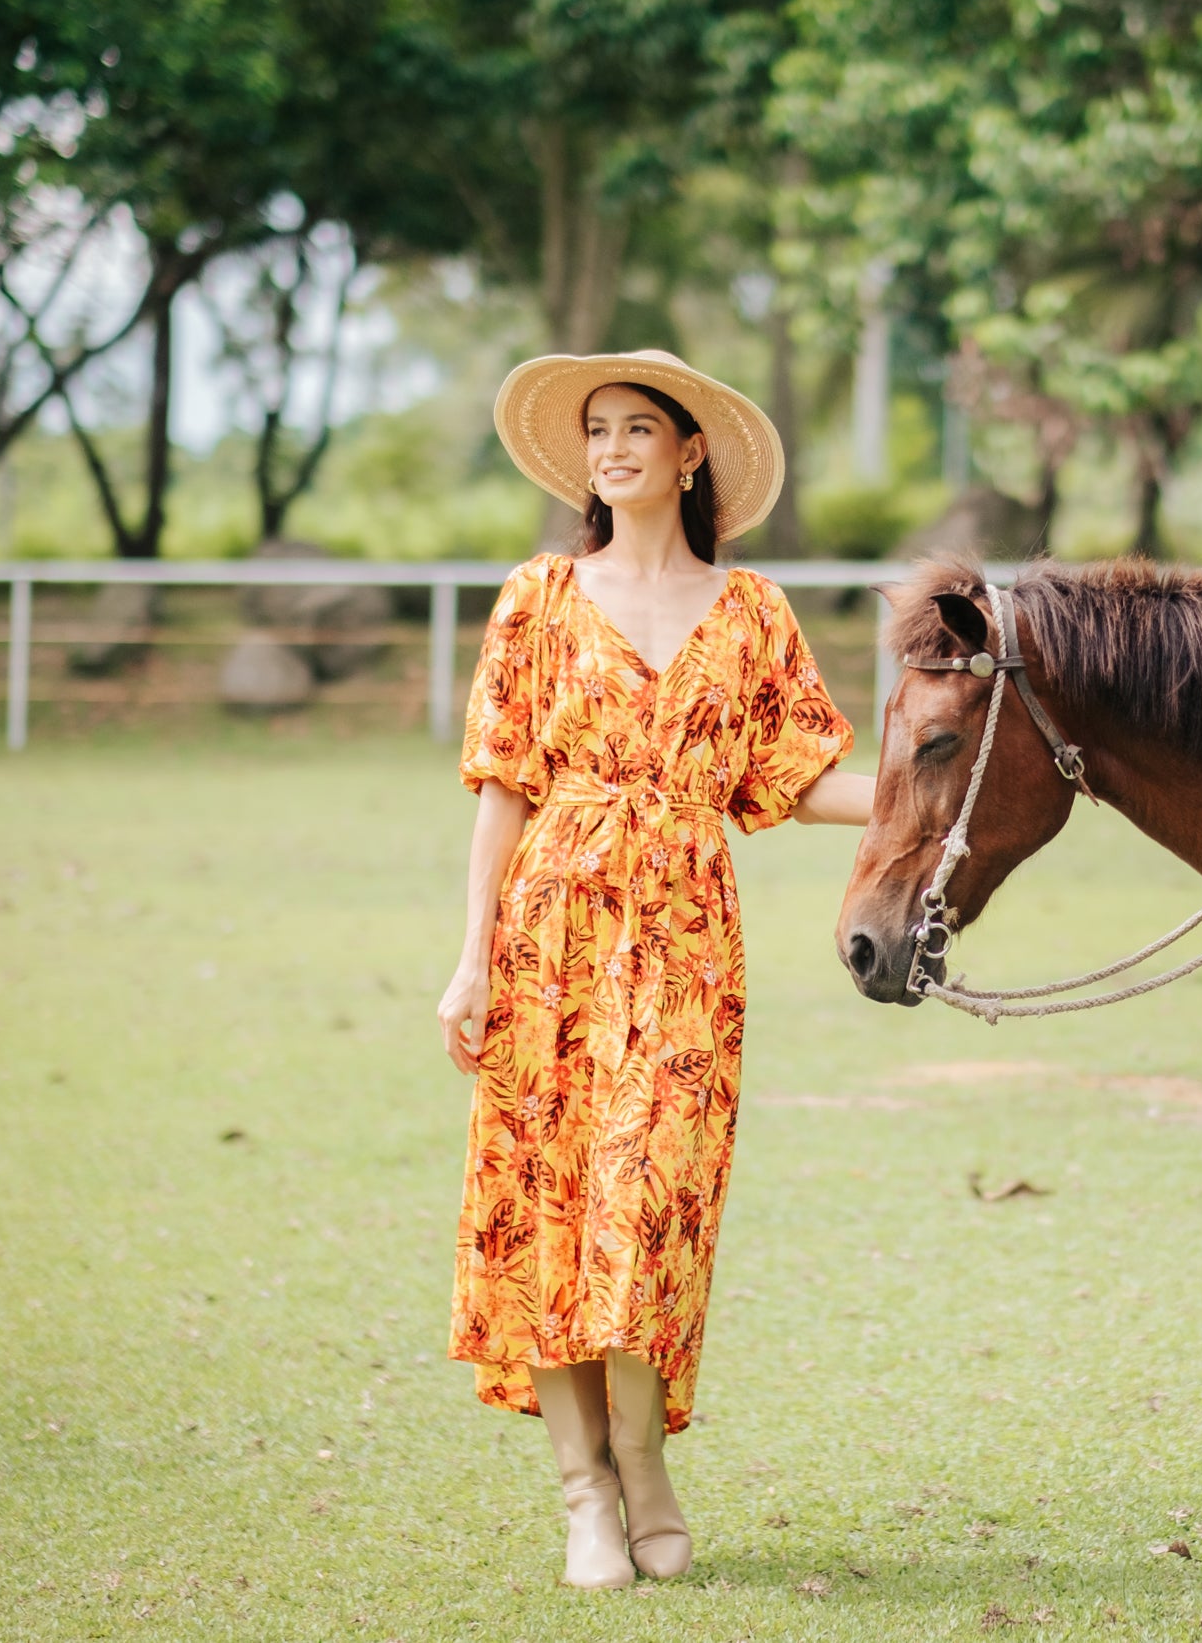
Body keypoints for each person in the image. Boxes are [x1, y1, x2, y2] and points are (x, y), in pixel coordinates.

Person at [435, 350, 875, 1588]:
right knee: (553, 1207)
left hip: (685, 941)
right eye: (597, 430)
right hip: (550, 932)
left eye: (639, 428)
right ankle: (586, 1491)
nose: (613, 447)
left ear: (691, 454)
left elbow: (793, 779)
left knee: (651, 1200)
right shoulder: (534, 596)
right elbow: (503, 789)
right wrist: (469, 961)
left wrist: (938, 793)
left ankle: (645, 1459)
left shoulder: (752, 613)